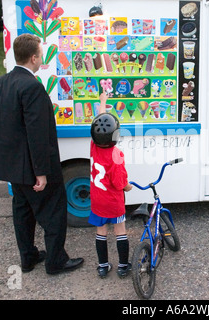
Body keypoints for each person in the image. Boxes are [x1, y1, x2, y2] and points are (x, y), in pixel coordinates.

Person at [0, 34, 84, 275]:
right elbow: (38, 134)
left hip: (11, 166)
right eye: (40, 54)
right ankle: (56, 261)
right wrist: (41, 173)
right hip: (32, 167)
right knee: (53, 212)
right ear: (33, 57)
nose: (41, 58)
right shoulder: (32, 86)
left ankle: (28, 257)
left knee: (23, 211)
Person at [89, 92, 133, 278]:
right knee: (120, 231)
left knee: (101, 233)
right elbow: (119, 183)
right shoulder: (116, 155)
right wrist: (127, 186)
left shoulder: (93, 145)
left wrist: (102, 102)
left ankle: (103, 266)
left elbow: (98, 121)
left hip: (97, 201)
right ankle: (123, 266)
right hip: (113, 202)